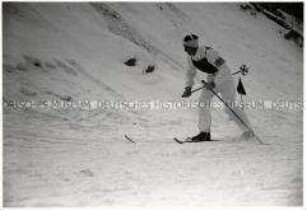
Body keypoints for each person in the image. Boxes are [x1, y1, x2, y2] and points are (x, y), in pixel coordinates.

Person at [181, 34, 254, 142]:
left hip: (225, 78)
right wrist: (188, 87)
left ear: (193, 47)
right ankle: (204, 133)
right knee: (202, 102)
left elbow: (224, 69)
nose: (185, 50)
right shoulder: (190, 57)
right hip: (211, 77)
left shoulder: (210, 53)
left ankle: (248, 131)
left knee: (229, 106)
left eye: (186, 47)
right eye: (185, 47)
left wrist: (214, 84)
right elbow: (190, 73)